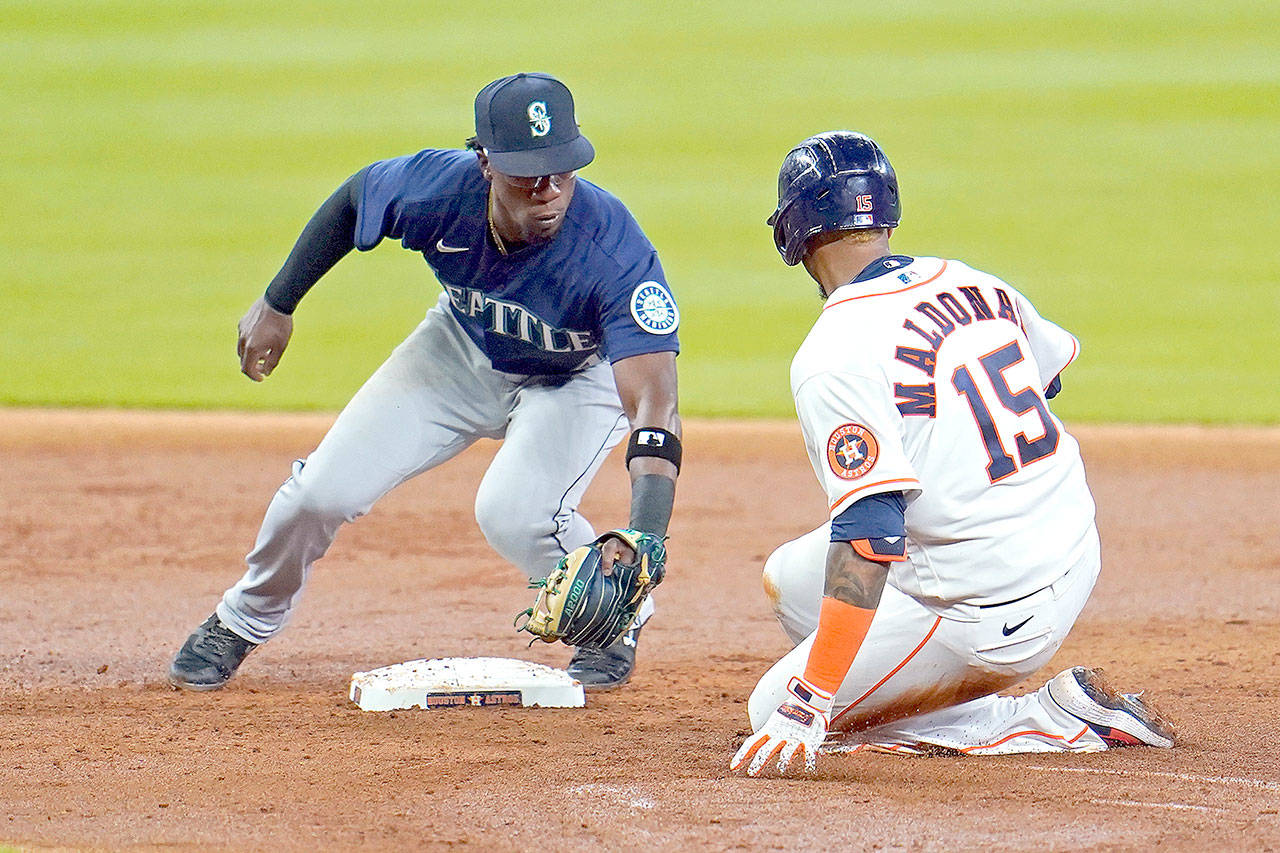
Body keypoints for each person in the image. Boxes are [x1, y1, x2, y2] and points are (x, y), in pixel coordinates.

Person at [168, 72, 682, 693]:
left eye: (561, 168)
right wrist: (279, 301)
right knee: (318, 494)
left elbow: (655, 403)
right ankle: (241, 621)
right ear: (485, 161)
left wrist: (646, 535)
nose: (548, 189)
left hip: (577, 378)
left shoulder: (612, 250)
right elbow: (356, 199)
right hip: (459, 349)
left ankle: (612, 622)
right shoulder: (439, 188)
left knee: (514, 514)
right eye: (528, 171)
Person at [731, 131, 1173, 777]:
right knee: (791, 578)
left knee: (771, 704)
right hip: (1070, 547)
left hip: (991, 612)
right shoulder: (972, 281)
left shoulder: (831, 354)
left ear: (792, 234)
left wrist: (811, 700)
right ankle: (895, 683)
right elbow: (1045, 380)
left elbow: (871, 535)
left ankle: (1040, 718)